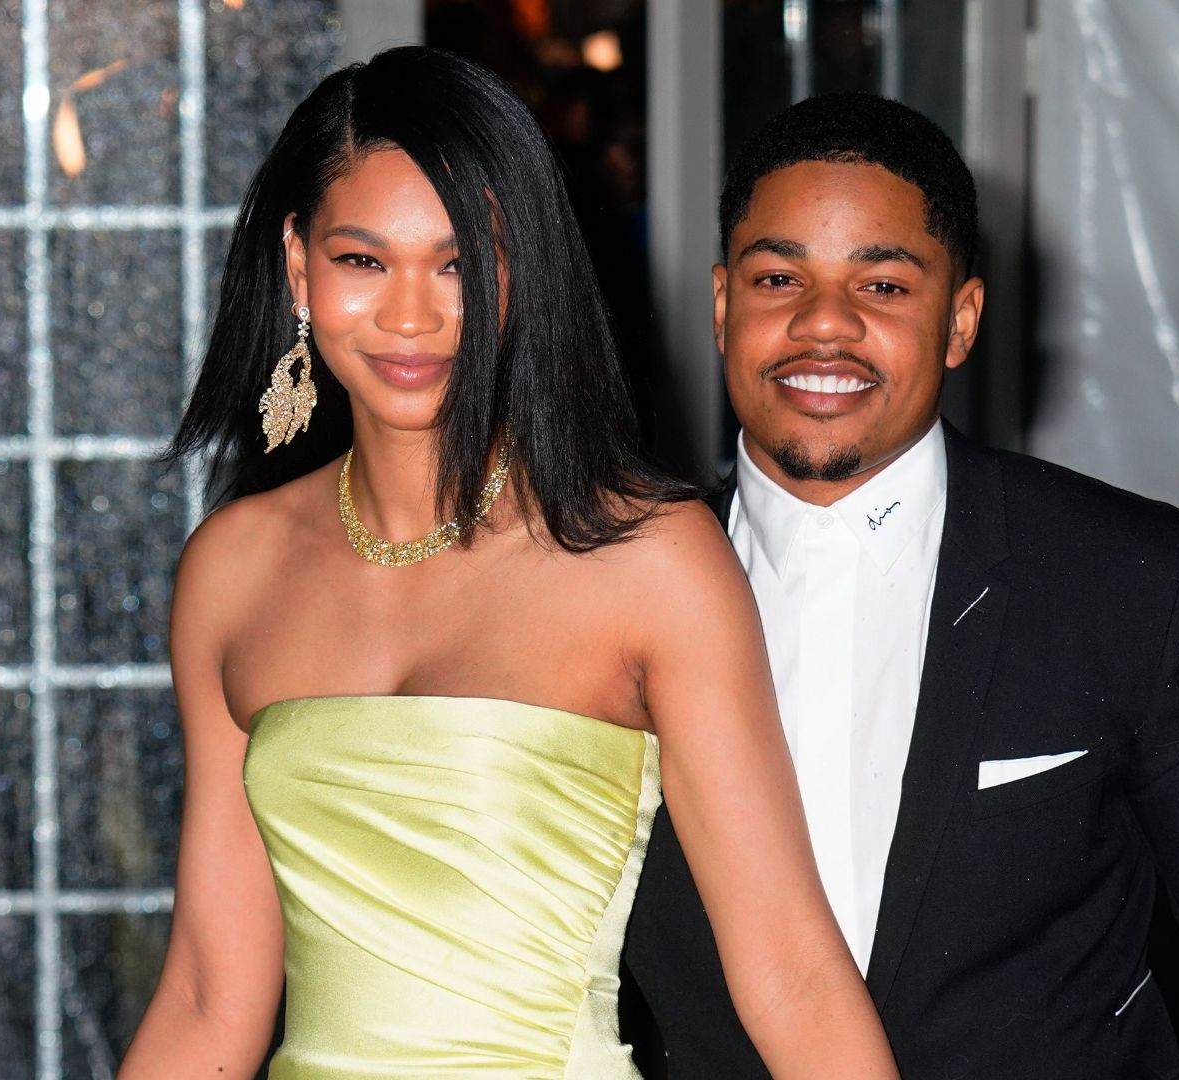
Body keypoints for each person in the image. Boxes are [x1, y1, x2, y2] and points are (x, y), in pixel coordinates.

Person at [117, 48, 899, 1080]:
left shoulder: (650, 561)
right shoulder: (233, 568)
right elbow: (210, 997)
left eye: (457, 263)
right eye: (364, 262)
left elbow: (792, 976)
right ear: (299, 267)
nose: (410, 315)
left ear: (518, 273)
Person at [621, 92, 1179, 1079]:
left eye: (882, 286)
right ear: (721, 306)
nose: (822, 325)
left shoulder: (1135, 581)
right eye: (777, 277)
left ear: (960, 319)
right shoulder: (611, 593)